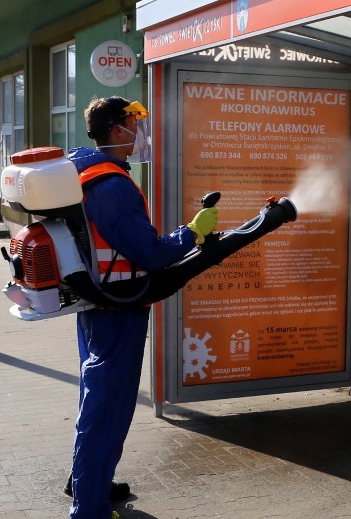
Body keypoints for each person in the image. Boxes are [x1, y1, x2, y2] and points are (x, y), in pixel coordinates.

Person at [65, 96, 218, 519]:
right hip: (119, 307)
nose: (140, 136)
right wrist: (191, 232)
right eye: (136, 126)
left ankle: (87, 479)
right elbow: (151, 254)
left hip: (98, 302)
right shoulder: (111, 185)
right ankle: (89, 508)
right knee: (108, 405)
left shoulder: (81, 167)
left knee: (95, 396)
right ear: (117, 129)